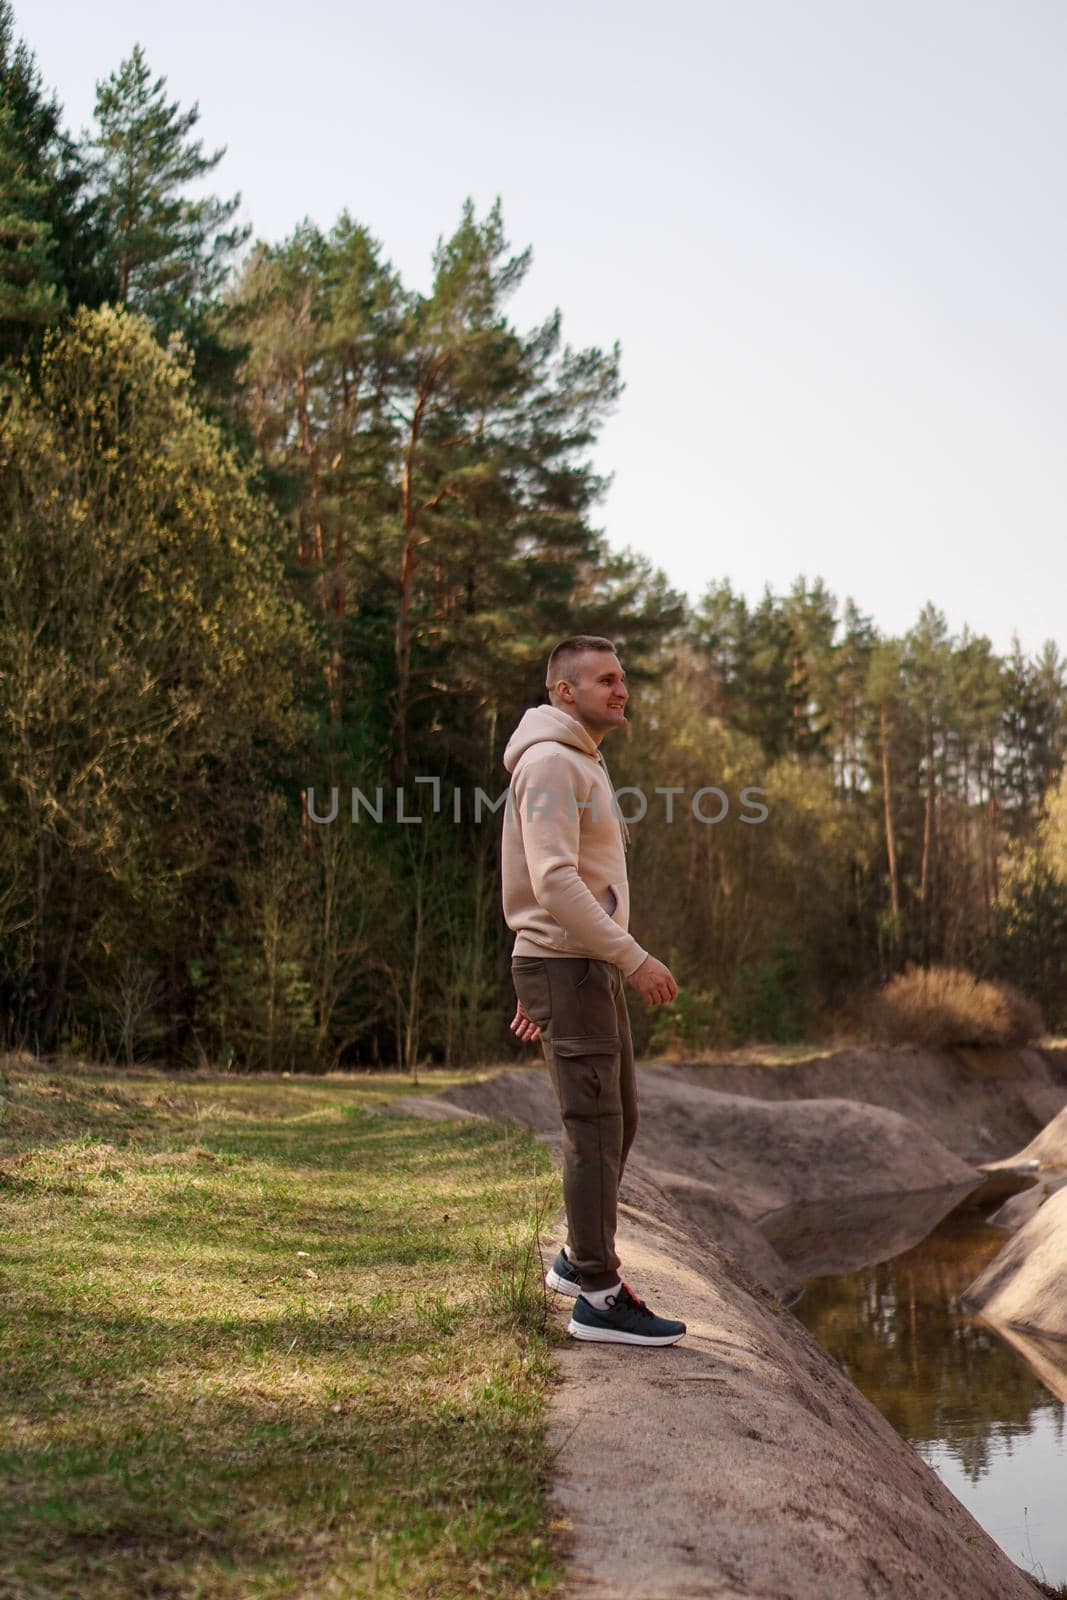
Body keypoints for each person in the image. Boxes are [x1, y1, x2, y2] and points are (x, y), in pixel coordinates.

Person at [501, 634, 687, 1346]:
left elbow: (538, 873)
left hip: (578, 965)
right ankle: (599, 1298)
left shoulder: (576, 758)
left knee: (618, 1122)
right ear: (564, 692)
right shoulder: (550, 761)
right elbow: (549, 879)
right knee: (593, 1130)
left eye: (622, 679)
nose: (621, 690)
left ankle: (575, 1263)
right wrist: (632, 958)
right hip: (571, 964)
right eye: (605, 679)